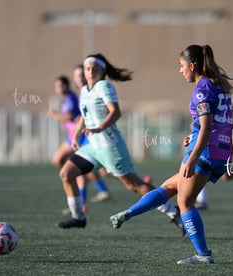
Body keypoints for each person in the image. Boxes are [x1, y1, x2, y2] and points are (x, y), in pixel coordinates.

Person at [110, 44, 233, 264]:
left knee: (185, 202)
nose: (180, 70)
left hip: (205, 151)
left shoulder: (202, 89)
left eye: (181, 65)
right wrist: (194, 134)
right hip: (222, 151)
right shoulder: (219, 87)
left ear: (193, 65)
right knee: (169, 187)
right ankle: (127, 213)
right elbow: (222, 124)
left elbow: (207, 127)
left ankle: (203, 254)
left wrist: (194, 154)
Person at [56, 54, 183, 234]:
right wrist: (76, 136)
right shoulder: (85, 91)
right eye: (87, 68)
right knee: (66, 173)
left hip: (109, 146)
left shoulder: (104, 86)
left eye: (95, 69)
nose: (90, 72)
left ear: (103, 71)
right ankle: (79, 217)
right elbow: (84, 117)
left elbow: (115, 112)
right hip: (93, 147)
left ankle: (174, 212)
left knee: (134, 185)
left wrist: (100, 128)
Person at [47, 75, 89, 212]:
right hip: (74, 136)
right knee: (79, 169)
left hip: (78, 137)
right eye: (56, 87)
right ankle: (80, 197)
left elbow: (70, 117)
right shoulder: (67, 99)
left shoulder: (70, 98)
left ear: (66, 85)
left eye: (60, 86)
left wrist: (55, 115)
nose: (58, 89)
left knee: (59, 160)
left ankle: (80, 200)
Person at [73, 64, 111, 203]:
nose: (81, 78)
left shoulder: (94, 91)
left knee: (104, 171)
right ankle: (81, 204)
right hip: (85, 138)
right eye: (78, 76)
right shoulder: (83, 93)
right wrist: (75, 137)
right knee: (79, 170)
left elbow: (110, 111)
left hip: (94, 137)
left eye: (82, 75)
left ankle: (81, 205)